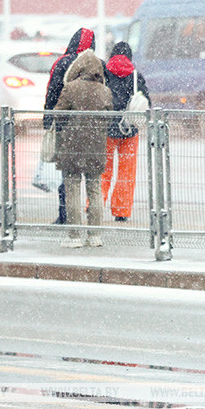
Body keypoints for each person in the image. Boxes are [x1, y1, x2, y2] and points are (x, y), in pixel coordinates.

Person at [52, 49, 112, 248]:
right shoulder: (105, 91)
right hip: (96, 146)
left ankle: (74, 236)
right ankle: (95, 235)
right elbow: (109, 117)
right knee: (95, 190)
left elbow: (58, 114)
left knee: (73, 190)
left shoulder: (70, 88)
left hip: (72, 145)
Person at [45, 28, 96, 225]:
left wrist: (49, 118)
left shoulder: (62, 62)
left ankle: (66, 216)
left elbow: (52, 91)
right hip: (91, 127)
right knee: (93, 179)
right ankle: (93, 221)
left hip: (66, 125)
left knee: (68, 175)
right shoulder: (96, 63)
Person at [101, 41, 150, 222]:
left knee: (103, 170)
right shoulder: (136, 76)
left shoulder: (105, 73)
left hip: (107, 128)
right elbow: (146, 103)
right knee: (126, 172)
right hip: (130, 129)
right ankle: (121, 210)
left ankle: (96, 205)